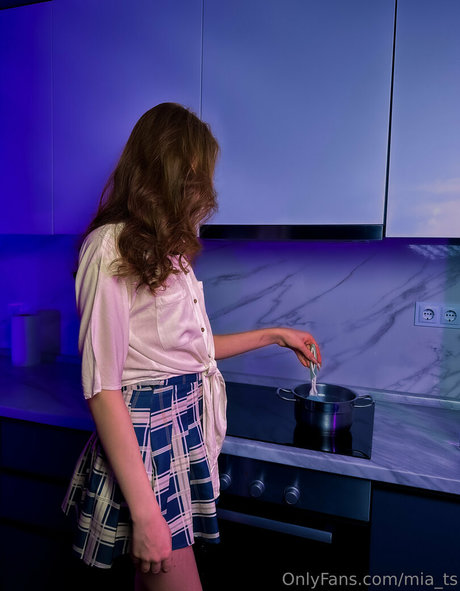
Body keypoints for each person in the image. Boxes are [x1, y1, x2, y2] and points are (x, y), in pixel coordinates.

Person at [62, 102, 322, 591]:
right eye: (198, 175)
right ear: (168, 169)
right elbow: (102, 387)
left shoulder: (168, 251)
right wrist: (147, 515)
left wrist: (275, 334)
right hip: (146, 444)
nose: (206, 190)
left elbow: (191, 352)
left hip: (178, 431)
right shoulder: (108, 246)